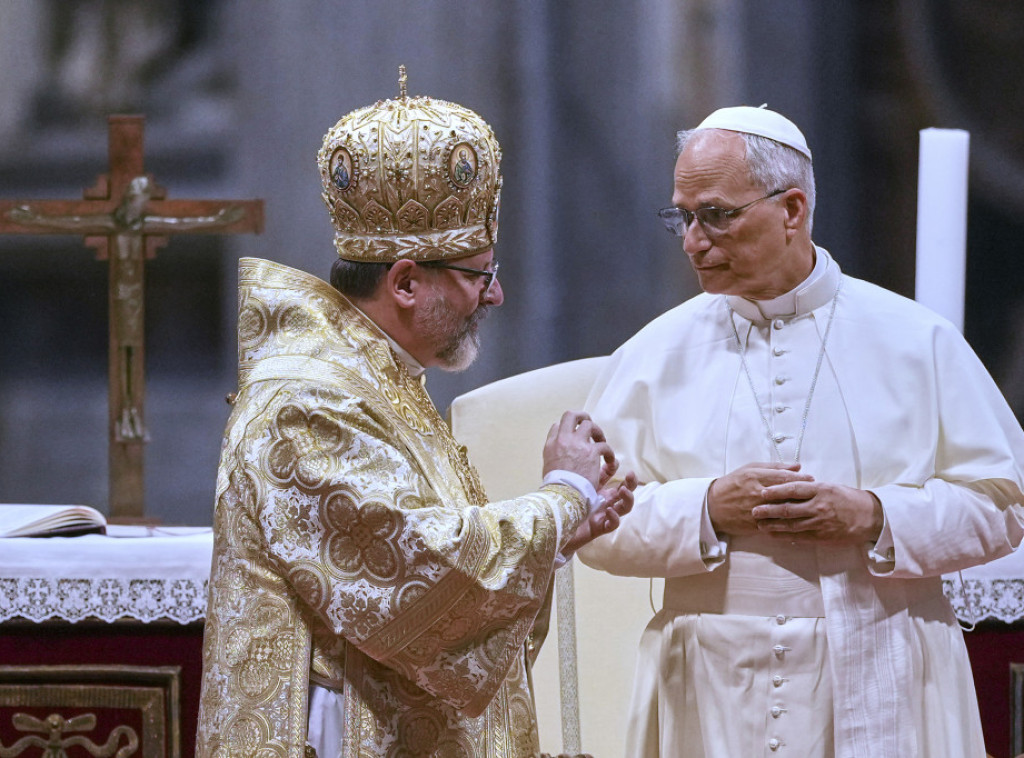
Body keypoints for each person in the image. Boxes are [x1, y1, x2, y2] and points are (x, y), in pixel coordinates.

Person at [195, 78, 635, 758]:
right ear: (404, 282)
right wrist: (563, 497)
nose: (497, 294)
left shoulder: (376, 380)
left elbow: (431, 574)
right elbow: (423, 579)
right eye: (479, 275)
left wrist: (555, 541)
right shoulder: (310, 403)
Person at [577, 105, 1024, 757]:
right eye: (683, 216)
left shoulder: (912, 339)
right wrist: (706, 508)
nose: (693, 240)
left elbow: (1004, 504)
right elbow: (594, 522)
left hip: (884, 662)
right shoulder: (651, 356)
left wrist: (874, 515)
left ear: (791, 210)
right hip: (709, 685)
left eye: (717, 215)